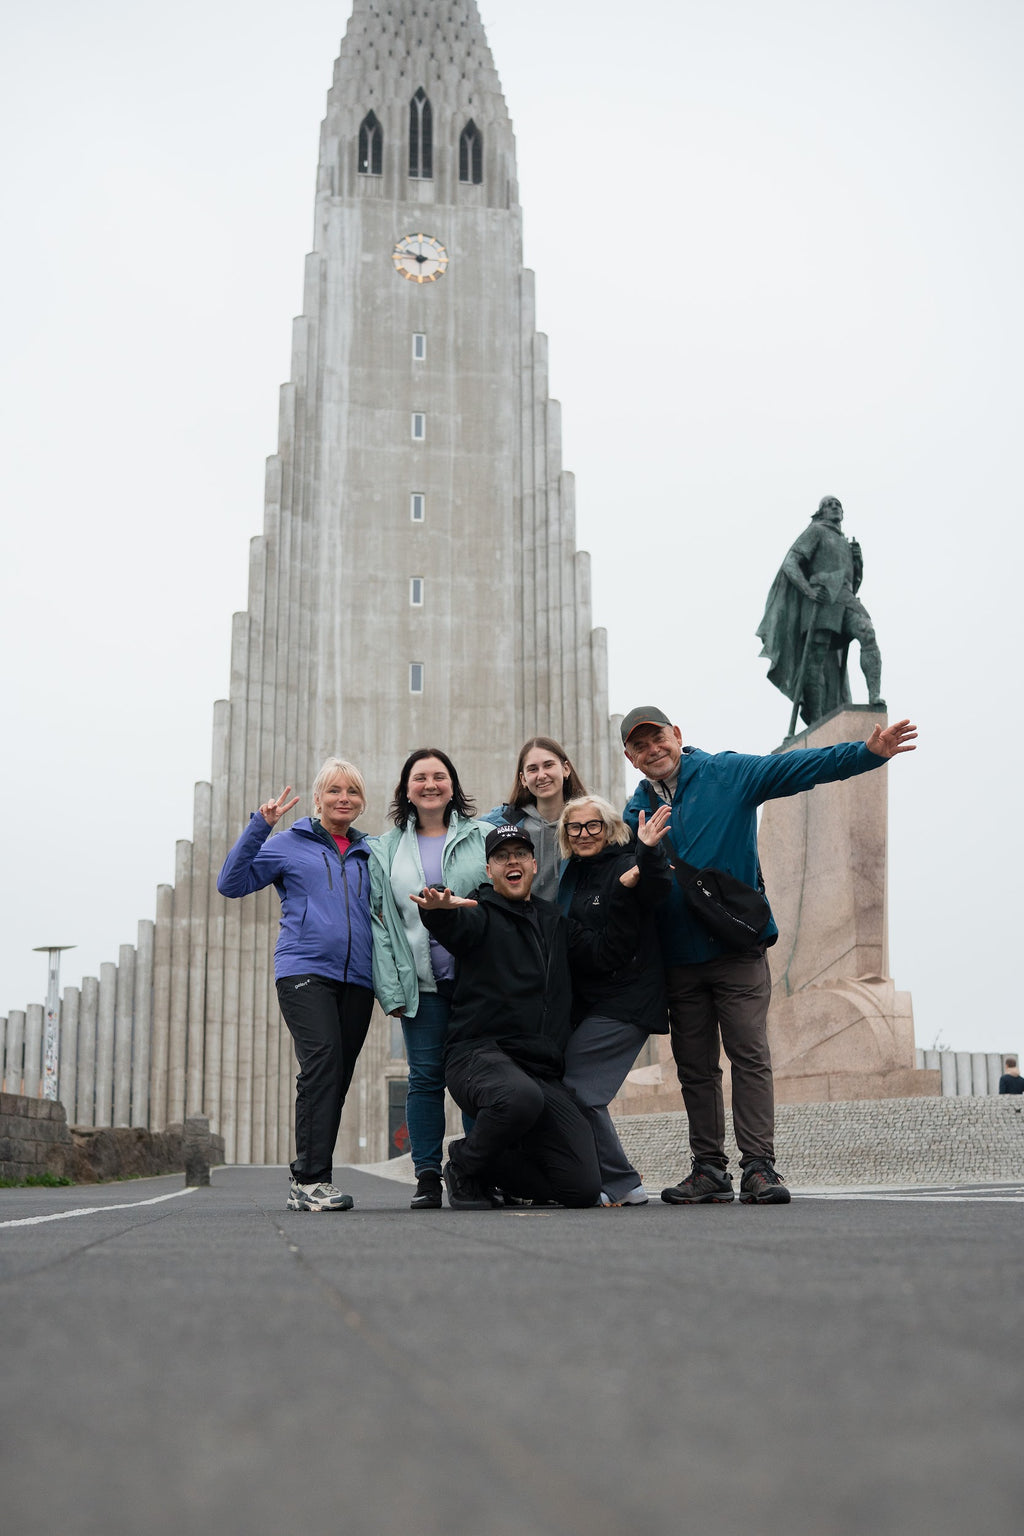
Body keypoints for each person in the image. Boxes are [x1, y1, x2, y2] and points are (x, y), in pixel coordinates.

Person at [621, 705, 918, 1205]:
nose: (653, 750)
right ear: (631, 757)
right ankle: (709, 1170)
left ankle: (759, 1167)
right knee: (694, 1067)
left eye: (659, 739)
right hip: (678, 957)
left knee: (749, 1056)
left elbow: (800, 768)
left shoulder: (728, 773)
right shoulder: (635, 813)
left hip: (736, 947)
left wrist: (867, 754)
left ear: (677, 734)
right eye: (640, 745)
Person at [414, 823, 641, 1210]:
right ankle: (464, 1166)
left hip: (539, 1068)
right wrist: (438, 913)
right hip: (478, 1055)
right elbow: (457, 926)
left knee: (582, 1187)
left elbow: (604, 954)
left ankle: (490, 1168)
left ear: (534, 865)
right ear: (490, 870)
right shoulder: (479, 910)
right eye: (502, 857)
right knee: (519, 1098)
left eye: (520, 854)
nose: (512, 862)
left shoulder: (554, 920)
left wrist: (625, 893)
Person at [217, 759, 374, 1212]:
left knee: (336, 1079)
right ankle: (309, 1180)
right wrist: (259, 826)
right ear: (319, 797)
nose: (343, 798)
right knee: (322, 1064)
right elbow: (231, 883)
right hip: (304, 970)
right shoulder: (289, 843)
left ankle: (312, 1178)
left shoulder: (370, 852)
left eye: (353, 791)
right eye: (334, 790)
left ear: (362, 802)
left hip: (358, 978)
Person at [368, 748, 488, 1210]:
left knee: (482, 1079)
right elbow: (381, 921)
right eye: (420, 778)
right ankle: (426, 1177)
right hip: (424, 983)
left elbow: (503, 895)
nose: (430, 784)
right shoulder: (386, 848)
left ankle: (478, 1172)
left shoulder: (482, 836)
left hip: (478, 980)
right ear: (406, 790)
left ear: (453, 786)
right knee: (425, 1081)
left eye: (440, 776)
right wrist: (392, 988)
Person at [557, 795, 672, 1206]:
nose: (584, 834)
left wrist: (647, 855)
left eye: (593, 826)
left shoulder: (624, 866)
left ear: (609, 829)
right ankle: (600, 1180)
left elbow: (611, 949)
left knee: (580, 1091)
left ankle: (624, 1184)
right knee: (567, 1088)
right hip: (595, 1003)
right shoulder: (575, 874)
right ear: (566, 835)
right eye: (575, 828)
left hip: (627, 1002)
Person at [757, 495, 884, 728]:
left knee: (867, 633)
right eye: (829, 505)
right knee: (816, 656)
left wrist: (859, 564)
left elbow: (854, 583)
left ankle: (874, 696)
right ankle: (816, 719)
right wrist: (808, 590)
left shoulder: (846, 542)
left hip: (845, 597)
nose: (835, 507)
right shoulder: (816, 531)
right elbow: (790, 563)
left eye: (838, 505)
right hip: (822, 598)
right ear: (821, 512)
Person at [481, 737, 587, 901]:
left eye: (548, 765)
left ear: (566, 769)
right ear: (523, 779)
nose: (542, 775)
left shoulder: (588, 825)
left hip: (571, 924)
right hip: (520, 921)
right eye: (533, 769)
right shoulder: (502, 824)